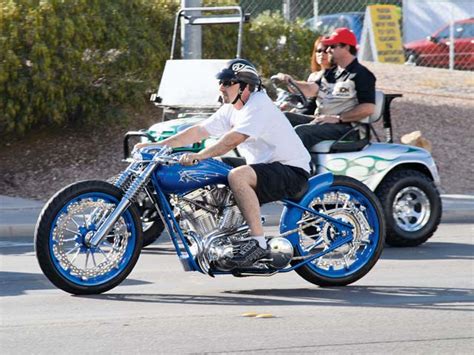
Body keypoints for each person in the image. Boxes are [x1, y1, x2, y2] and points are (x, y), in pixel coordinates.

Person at [135, 59, 311, 265]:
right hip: (261, 166)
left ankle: (258, 244)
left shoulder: (259, 105)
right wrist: (159, 145)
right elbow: (199, 131)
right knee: (211, 168)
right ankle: (225, 232)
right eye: (221, 82)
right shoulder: (232, 108)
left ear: (245, 85)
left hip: (290, 170)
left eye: (228, 82)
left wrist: (200, 154)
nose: (221, 87)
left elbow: (234, 139)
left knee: (237, 175)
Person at [277, 27, 376, 150]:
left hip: (348, 128)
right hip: (324, 121)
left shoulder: (361, 74)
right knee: (284, 117)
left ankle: (294, 168)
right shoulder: (330, 73)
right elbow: (310, 89)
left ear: (346, 47)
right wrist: (290, 81)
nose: (328, 50)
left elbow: (368, 108)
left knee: (302, 131)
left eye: (333, 46)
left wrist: (338, 119)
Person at [277, 36, 334, 116]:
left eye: (325, 51)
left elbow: (310, 89)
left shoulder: (331, 75)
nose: (321, 54)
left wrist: (290, 81)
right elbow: (303, 99)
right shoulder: (313, 75)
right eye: (319, 51)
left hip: (313, 117)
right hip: (301, 113)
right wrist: (289, 105)